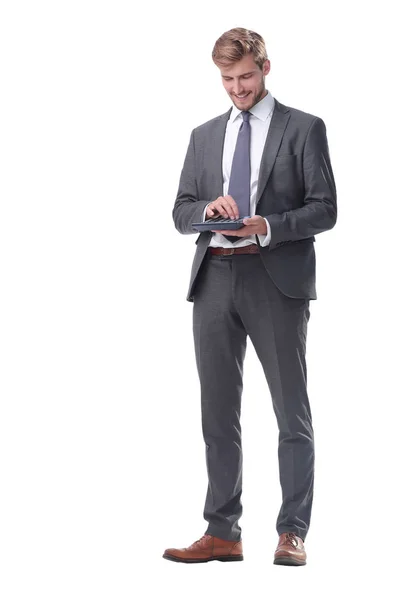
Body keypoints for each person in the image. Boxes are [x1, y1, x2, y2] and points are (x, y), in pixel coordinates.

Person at [163, 27, 337, 566]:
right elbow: (180, 210)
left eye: (245, 77)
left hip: (274, 278)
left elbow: (325, 208)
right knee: (217, 413)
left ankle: (292, 531)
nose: (237, 88)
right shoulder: (203, 134)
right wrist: (205, 212)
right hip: (213, 275)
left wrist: (267, 225)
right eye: (227, 80)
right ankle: (223, 532)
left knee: (291, 411)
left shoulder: (304, 128)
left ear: (266, 68)